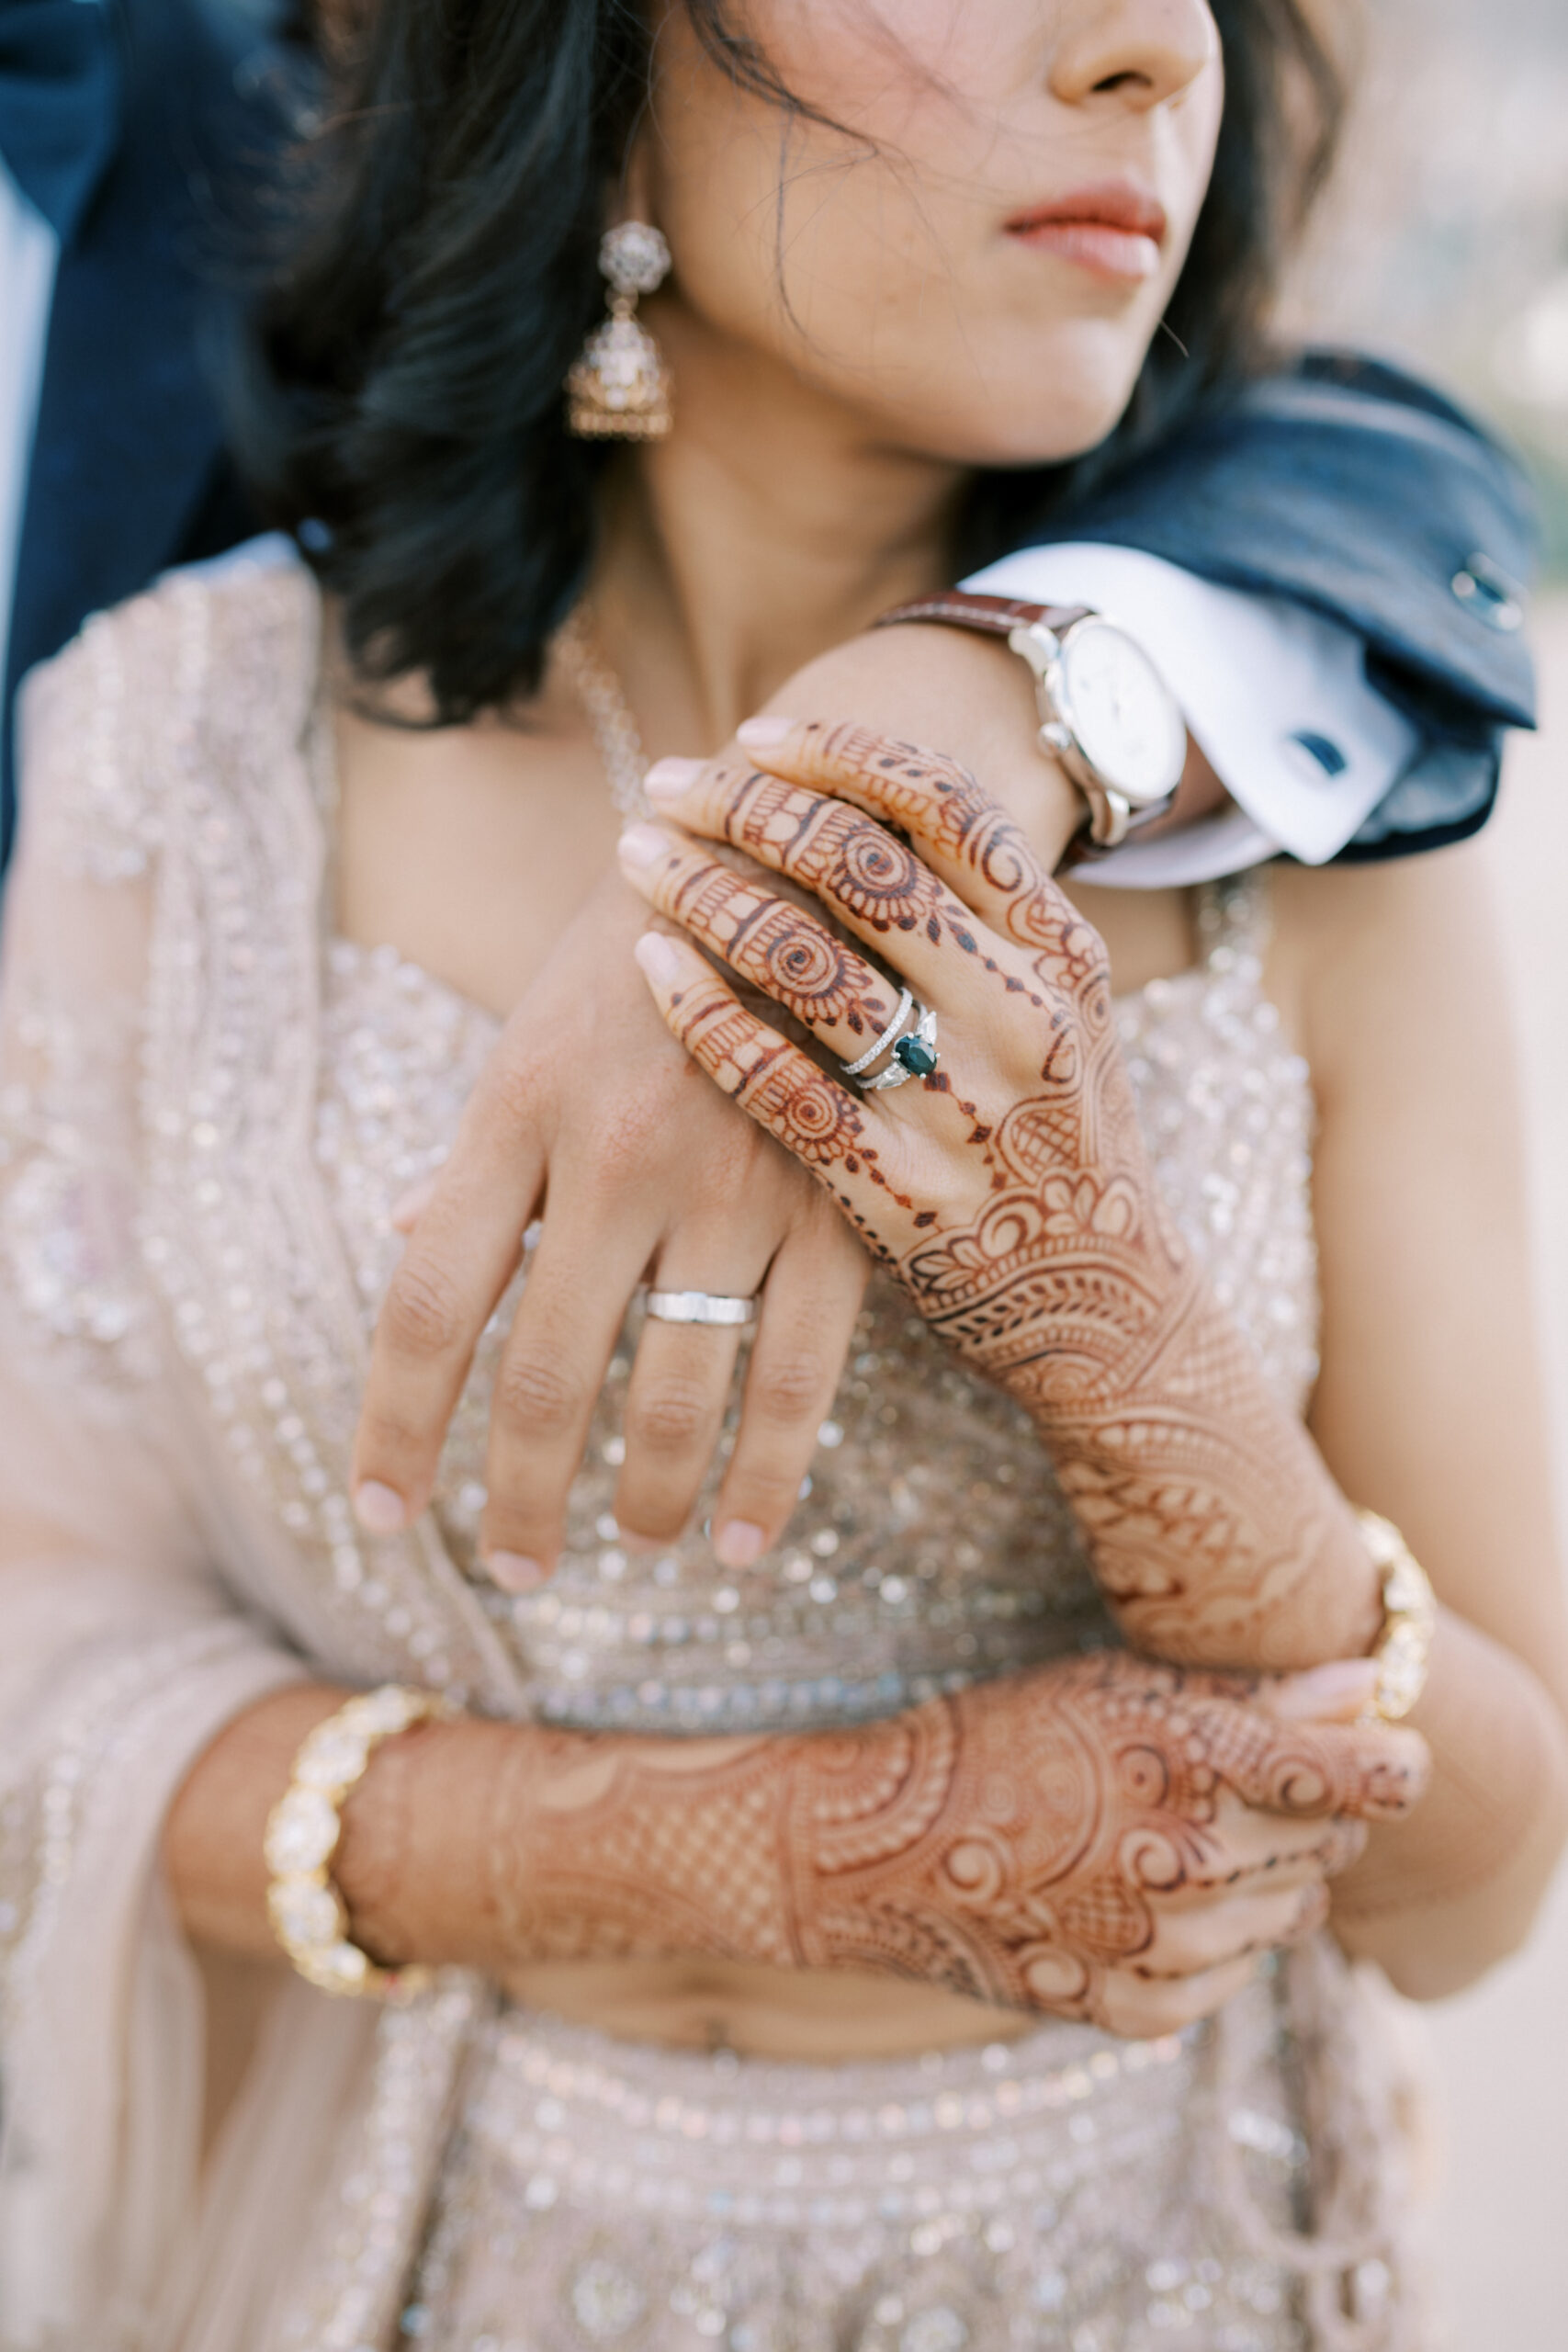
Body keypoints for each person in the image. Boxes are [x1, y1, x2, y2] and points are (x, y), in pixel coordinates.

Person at [0, 8, 1563, 2352]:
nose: (1150, 47)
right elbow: (43, 1679)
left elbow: (1472, 1888)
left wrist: (1100, 1315)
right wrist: (765, 1860)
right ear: (591, 62)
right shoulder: (178, 744)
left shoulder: (1300, 813)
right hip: (416, 2265)